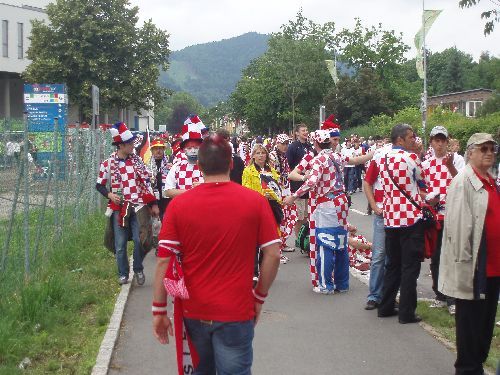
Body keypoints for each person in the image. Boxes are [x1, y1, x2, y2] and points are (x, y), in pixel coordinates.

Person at [152, 135, 281, 375]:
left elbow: (164, 259)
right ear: (231, 164)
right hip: (236, 310)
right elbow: (273, 253)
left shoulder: (179, 205)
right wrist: (259, 297)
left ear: (199, 167)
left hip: (194, 311)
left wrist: (159, 310)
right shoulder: (254, 201)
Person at [438, 133, 499, 375]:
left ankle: (476, 367)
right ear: (471, 152)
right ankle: (468, 370)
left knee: (484, 327)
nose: (488, 153)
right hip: (473, 268)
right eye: (483, 149)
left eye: (492, 149)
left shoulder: (489, 179)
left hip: (493, 267)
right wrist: (464, 269)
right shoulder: (464, 181)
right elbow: (457, 228)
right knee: (470, 327)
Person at [96, 122, 159, 285]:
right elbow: (99, 185)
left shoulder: (137, 161)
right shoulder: (108, 163)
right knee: (120, 244)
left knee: (141, 240)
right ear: (121, 145)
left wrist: (152, 204)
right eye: (130, 143)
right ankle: (123, 273)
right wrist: (110, 194)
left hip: (138, 207)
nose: (133, 146)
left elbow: (146, 182)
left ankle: (138, 268)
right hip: (119, 208)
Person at [377, 123, 427, 324]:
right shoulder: (411, 158)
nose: (413, 140)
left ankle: (386, 305)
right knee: (410, 268)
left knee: (393, 265)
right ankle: (407, 312)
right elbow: (422, 183)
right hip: (410, 218)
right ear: (400, 140)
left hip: (390, 218)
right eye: (410, 137)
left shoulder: (382, 158)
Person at [422, 126, 460, 315]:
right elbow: (422, 188)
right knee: (436, 256)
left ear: (447, 141)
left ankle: (452, 298)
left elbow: (462, 182)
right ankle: (440, 294)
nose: (439, 144)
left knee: (450, 257)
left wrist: (451, 166)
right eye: (436, 140)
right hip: (434, 216)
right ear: (431, 142)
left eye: (442, 140)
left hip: (452, 214)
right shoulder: (426, 164)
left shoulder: (457, 160)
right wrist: (429, 198)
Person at [242, 144, 285, 265]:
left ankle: (263, 266)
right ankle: (254, 271)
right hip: (256, 207)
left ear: (266, 155)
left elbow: (278, 188)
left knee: (269, 239)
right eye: (258, 153)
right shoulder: (248, 171)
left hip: (272, 207)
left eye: (263, 153)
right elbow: (246, 190)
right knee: (255, 240)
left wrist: (277, 196)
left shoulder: (271, 170)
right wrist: (261, 195)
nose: (261, 155)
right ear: (253, 156)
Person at [363, 140, 392, 310]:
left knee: (393, 257)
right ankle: (374, 295)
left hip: (399, 214)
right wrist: (374, 206)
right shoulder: (380, 157)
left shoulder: (408, 157)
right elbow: (367, 182)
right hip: (382, 213)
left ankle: (387, 295)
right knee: (379, 255)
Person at [164, 117, 205, 198]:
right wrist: (191, 192)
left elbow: (218, 188)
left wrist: (204, 187)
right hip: (183, 208)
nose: (193, 151)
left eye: (196, 148)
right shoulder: (177, 167)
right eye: (189, 148)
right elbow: (168, 191)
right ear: (184, 150)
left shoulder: (210, 167)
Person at [270, 134, 297, 254]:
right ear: (278, 144)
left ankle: (282, 242)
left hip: (285, 190)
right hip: (277, 192)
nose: (286, 146)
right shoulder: (273, 156)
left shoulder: (283, 156)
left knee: (289, 217)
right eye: (283, 144)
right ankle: (277, 245)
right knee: (280, 219)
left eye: (287, 144)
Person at [286, 123, 313, 237]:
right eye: (303, 130)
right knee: (299, 215)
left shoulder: (309, 147)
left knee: (306, 214)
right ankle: (298, 238)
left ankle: (304, 236)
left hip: (308, 184)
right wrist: (300, 173)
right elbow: (289, 165)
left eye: (306, 130)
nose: (306, 132)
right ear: (297, 133)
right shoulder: (293, 147)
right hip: (297, 184)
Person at [148, 138, 170, 220]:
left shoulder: (170, 162)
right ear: (152, 150)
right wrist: (152, 204)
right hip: (153, 200)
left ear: (164, 149)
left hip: (167, 199)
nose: (158, 151)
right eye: (156, 148)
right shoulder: (147, 165)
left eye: (160, 148)